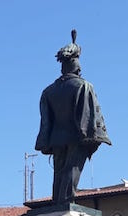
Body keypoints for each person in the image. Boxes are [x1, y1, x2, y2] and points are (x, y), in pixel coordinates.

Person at [35, 29, 111, 205]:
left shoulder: (48, 91)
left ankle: (58, 203)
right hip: (77, 136)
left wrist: (46, 141)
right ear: (77, 66)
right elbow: (89, 115)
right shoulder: (84, 86)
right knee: (72, 170)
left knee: (58, 174)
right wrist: (91, 137)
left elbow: (45, 121)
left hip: (56, 139)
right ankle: (66, 203)